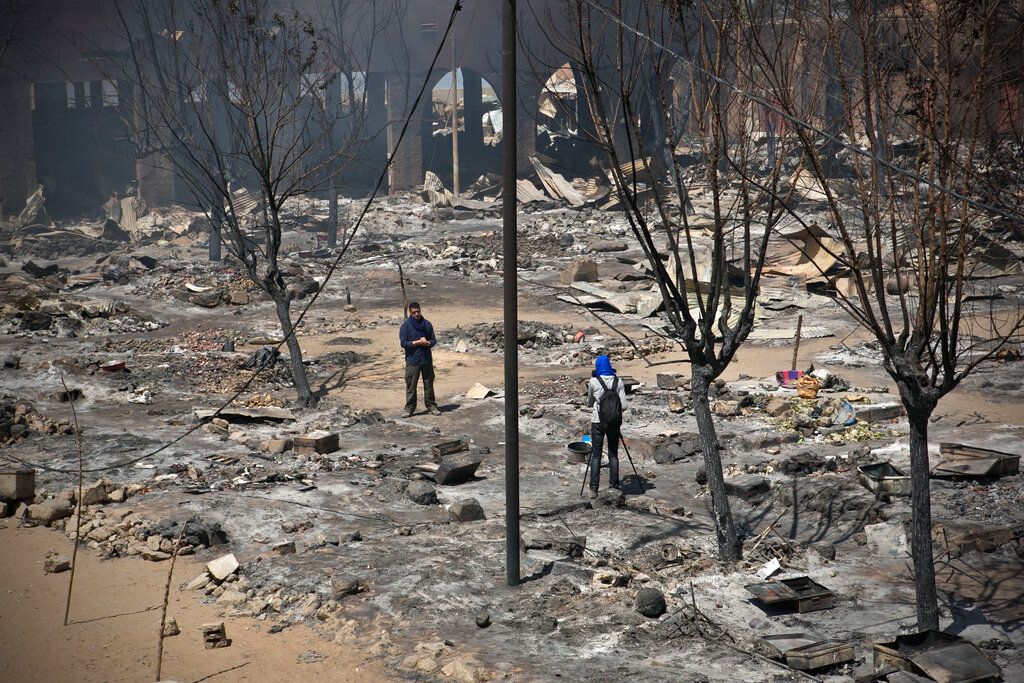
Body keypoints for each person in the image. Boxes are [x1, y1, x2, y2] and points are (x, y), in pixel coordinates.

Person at [585, 354, 628, 498]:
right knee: (613, 454)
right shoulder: (618, 381)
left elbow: (589, 402)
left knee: (596, 455)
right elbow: (625, 406)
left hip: (597, 422)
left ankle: (593, 489)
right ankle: (614, 487)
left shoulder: (593, 381)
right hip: (614, 423)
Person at [399, 302, 440, 417]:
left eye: (418, 311)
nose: (417, 314)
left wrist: (427, 343)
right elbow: (403, 343)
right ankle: (410, 408)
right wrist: (417, 342)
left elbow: (433, 340)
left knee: (429, 384)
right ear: (410, 313)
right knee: (411, 385)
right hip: (413, 360)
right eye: (414, 312)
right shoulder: (406, 326)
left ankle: (431, 405)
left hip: (426, 359)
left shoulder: (427, 324)